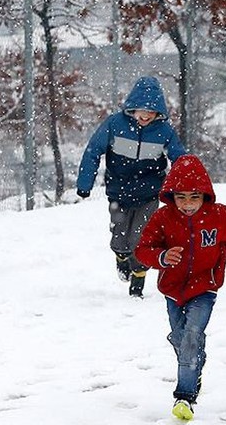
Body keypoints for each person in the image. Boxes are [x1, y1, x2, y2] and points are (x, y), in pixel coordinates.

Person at [134, 154, 226, 421]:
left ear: (205, 195)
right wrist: (161, 257)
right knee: (180, 337)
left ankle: (184, 396)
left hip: (205, 286)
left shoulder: (220, 215)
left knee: (192, 335)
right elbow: (143, 249)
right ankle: (194, 361)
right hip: (173, 289)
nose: (187, 204)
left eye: (194, 197)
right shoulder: (163, 218)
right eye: (181, 197)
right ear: (171, 196)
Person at [76, 76, 186, 298]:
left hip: (149, 194)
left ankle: (139, 278)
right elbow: (93, 151)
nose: (145, 116)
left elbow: (180, 158)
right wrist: (84, 183)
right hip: (118, 192)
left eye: (152, 112)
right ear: (132, 108)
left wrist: (186, 186)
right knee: (120, 237)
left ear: (159, 113)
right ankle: (121, 257)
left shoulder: (164, 131)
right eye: (141, 110)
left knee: (141, 238)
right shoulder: (115, 125)